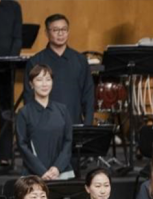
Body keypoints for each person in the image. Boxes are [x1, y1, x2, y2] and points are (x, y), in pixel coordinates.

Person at [24, 14, 94, 125]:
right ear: (46, 33)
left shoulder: (80, 60)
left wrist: (88, 123)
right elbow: (28, 97)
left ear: (68, 31)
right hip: (44, 127)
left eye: (64, 29)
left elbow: (88, 94)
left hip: (74, 124)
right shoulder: (35, 61)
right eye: (55, 30)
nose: (60, 33)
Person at [16, 64, 74, 180]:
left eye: (48, 79)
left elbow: (68, 142)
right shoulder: (24, 113)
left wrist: (57, 168)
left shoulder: (62, 110)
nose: (44, 84)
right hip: (34, 174)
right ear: (31, 84)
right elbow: (22, 146)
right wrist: (42, 171)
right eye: (39, 80)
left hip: (62, 172)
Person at [0, 0, 22, 165]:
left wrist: (10, 60)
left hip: (5, 68)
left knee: (6, 111)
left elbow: (17, 38)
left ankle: (5, 155)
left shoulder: (14, 7)